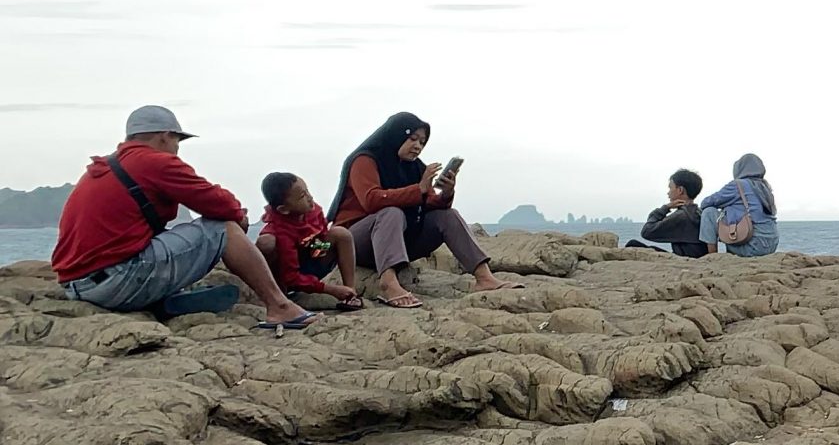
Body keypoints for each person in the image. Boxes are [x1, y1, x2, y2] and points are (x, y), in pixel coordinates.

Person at [53, 106, 316, 330]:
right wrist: (239, 217)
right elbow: (220, 203)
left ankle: (162, 298)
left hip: (77, 287)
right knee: (222, 227)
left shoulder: (108, 166)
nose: (178, 148)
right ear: (165, 136)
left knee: (160, 237)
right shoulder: (155, 162)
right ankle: (280, 307)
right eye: (178, 140)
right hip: (115, 282)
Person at [330, 112, 512, 306]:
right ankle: (388, 283)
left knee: (447, 215)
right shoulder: (365, 160)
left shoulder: (415, 168)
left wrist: (446, 193)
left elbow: (430, 202)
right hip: (356, 243)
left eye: (422, 142)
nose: (417, 146)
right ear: (396, 135)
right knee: (391, 212)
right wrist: (419, 189)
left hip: (397, 241)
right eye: (412, 139)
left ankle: (484, 277)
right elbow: (371, 200)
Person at [257, 173, 363, 310]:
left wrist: (319, 250)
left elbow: (322, 234)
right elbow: (291, 277)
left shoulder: (312, 210)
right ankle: (280, 297)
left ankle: (350, 293)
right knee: (267, 243)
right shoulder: (280, 231)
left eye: (307, 191)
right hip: (289, 273)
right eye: (302, 196)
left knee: (341, 234)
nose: (310, 198)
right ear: (283, 209)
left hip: (311, 257)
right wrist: (329, 289)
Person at [698, 154, 779, 257]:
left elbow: (706, 203)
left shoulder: (738, 185)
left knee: (708, 212)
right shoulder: (765, 187)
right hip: (771, 245)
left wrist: (726, 206)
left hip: (751, 244)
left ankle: (712, 256)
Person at [630, 169, 711, 257]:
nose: (668, 193)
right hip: (696, 256)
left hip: (685, 260)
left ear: (680, 190)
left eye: (670, 188)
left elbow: (647, 231)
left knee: (632, 244)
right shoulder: (698, 213)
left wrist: (665, 208)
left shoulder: (682, 216)